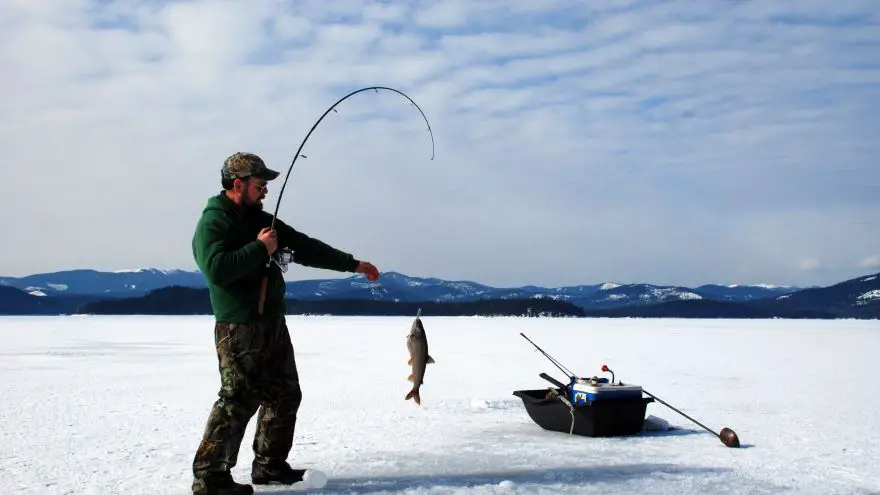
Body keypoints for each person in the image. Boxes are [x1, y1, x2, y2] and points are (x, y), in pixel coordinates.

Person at [189, 152, 380, 495]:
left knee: (284, 394)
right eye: (260, 185)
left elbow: (305, 247)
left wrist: (352, 264)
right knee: (236, 401)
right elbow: (216, 269)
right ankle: (209, 478)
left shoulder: (262, 219)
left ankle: (269, 465)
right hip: (240, 327)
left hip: (271, 324)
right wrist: (259, 249)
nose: (265, 191)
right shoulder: (214, 222)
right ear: (238, 185)